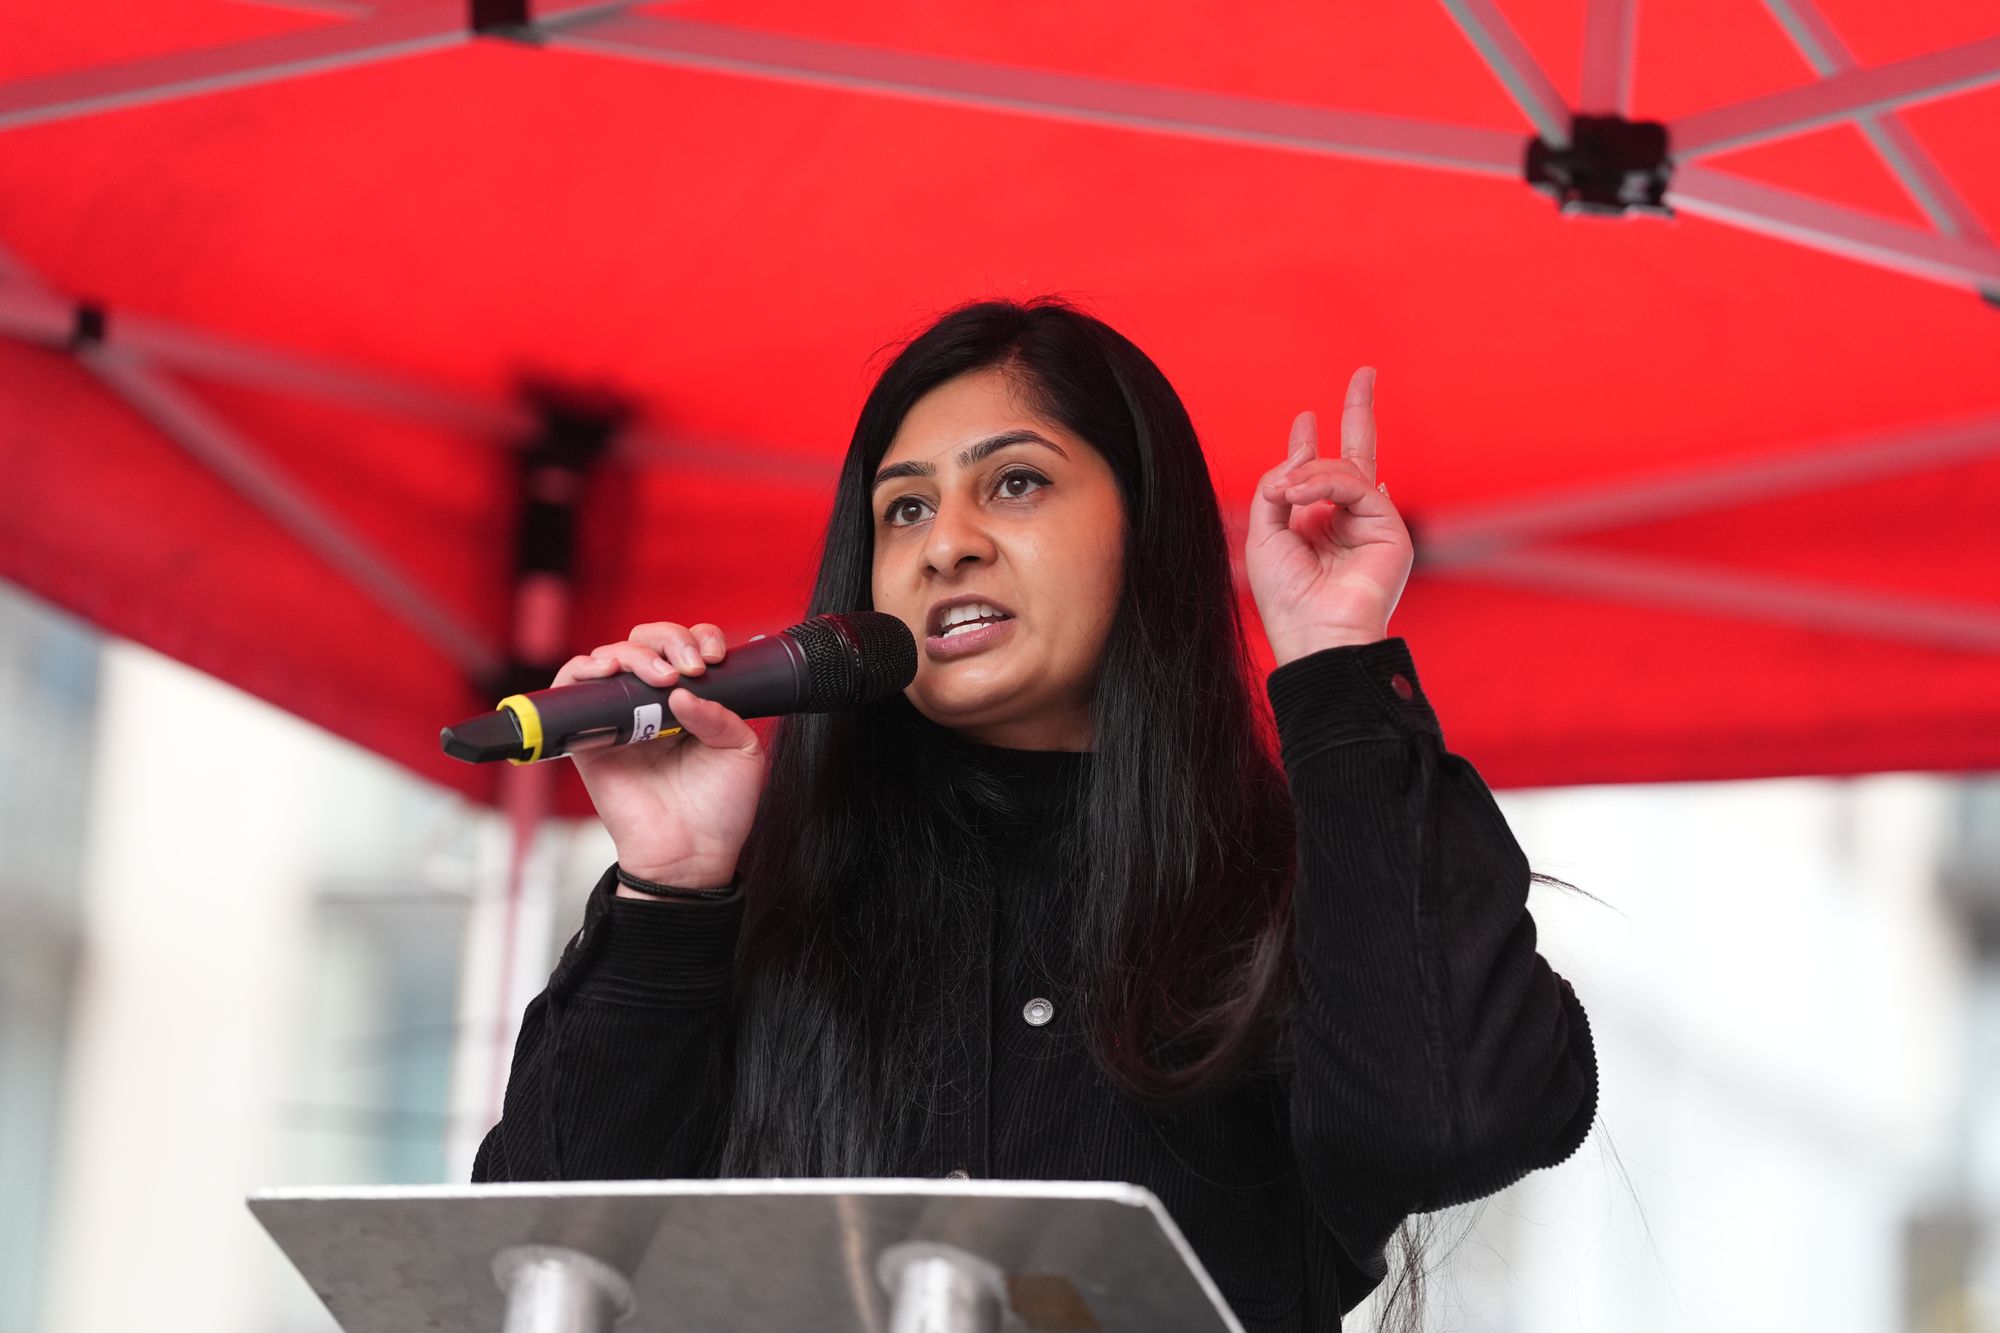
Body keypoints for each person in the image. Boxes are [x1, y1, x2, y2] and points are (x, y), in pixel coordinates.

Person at [471, 296, 1599, 1331]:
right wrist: (672, 882)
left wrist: (1337, 666)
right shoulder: (763, 899)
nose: (945, 541)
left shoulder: (1282, 885)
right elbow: (540, 1269)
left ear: (1143, 531)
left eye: (1014, 482)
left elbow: (1448, 1126)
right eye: (903, 507)